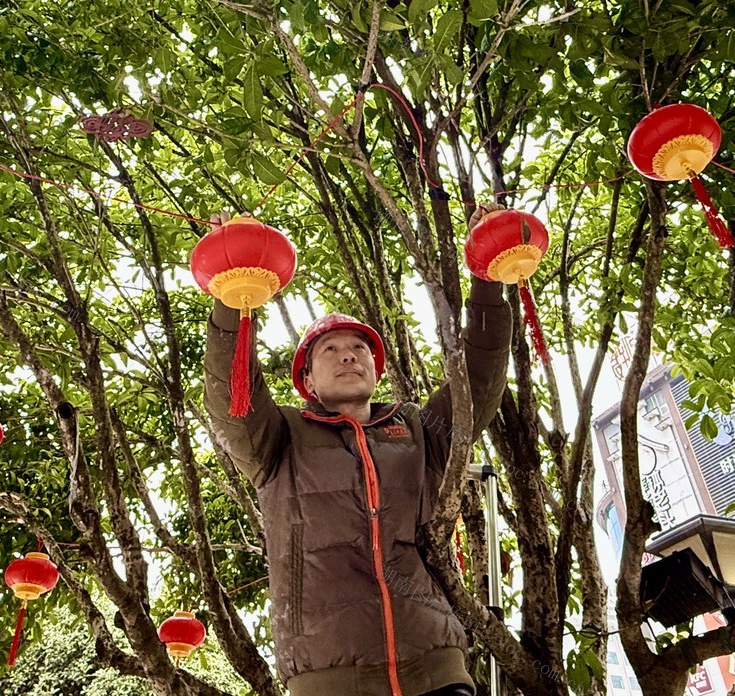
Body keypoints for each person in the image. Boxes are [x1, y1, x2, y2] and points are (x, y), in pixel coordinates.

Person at [204, 207, 512, 696]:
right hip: (329, 678)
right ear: (307, 380)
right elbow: (232, 397)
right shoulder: (278, 438)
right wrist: (233, 293)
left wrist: (488, 278)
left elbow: (479, 379)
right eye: (330, 350)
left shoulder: (419, 429)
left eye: (359, 348)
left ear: (376, 369)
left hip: (436, 668)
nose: (348, 354)